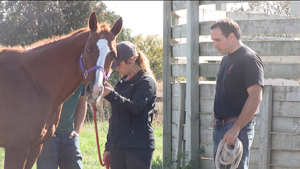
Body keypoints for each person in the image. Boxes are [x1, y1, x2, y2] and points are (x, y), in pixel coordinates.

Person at [210, 18, 264, 169]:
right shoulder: (225, 59)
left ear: (231, 36)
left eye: (217, 40)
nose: (214, 44)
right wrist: (215, 114)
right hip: (220, 128)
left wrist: (236, 128)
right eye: (213, 40)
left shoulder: (249, 58)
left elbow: (256, 97)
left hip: (236, 129)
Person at [101, 41, 157, 169]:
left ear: (131, 60)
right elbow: (114, 117)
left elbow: (135, 107)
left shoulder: (146, 81)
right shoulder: (121, 82)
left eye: (118, 64)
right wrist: (108, 146)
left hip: (138, 147)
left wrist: (111, 95)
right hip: (117, 146)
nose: (116, 68)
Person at [37, 83, 87, 169]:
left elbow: (82, 101)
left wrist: (77, 130)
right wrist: (45, 128)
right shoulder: (50, 73)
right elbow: (36, 100)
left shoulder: (80, 78)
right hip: (48, 138)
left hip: (70, 137)